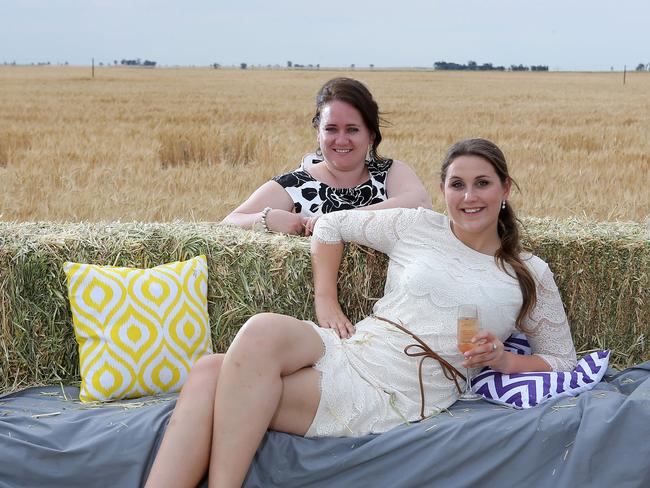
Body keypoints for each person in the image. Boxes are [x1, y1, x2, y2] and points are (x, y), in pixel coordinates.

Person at [145, 138, 577, 488]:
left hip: (402, 386)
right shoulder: (417, 224)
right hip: (357, 345)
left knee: (209, 376)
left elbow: (563, 361)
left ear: (505, 188)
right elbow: (331, 224)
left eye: (482, 183)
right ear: (443, 190)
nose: (468, 196)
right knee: (232, 351)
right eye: (456, 184)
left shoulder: (528, 273)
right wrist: (326, 302)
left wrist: (503, 360)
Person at [221, 77, 431, 235]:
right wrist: (267, 218)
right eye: (331, 129)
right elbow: (228, 222)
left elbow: (420, 205)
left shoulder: (390, 173)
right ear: (318, 133)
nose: (341, 140)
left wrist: (339, 219)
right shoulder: (295, 185)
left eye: (352, 129)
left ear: (371, 135)